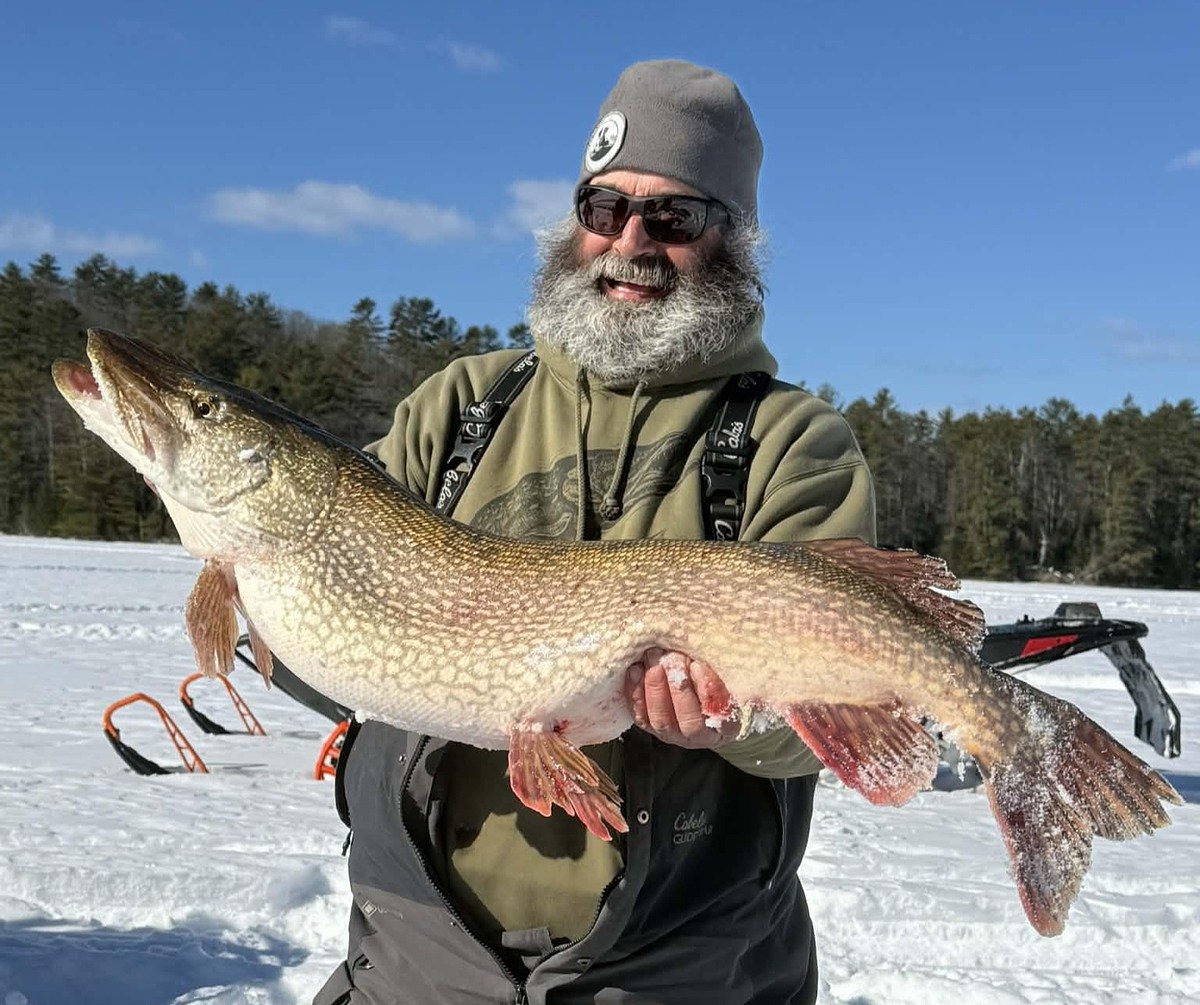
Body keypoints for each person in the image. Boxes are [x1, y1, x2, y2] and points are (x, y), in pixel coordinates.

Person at [314, 59, 875, 1005]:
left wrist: (737, 719)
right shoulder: (460, 406)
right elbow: (317, 632)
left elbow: (826, 726)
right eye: (604, 204)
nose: (629, 241)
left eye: (674, 217)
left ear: (731, 237)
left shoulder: (791, 439)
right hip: (418, 954)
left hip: (678, 968)